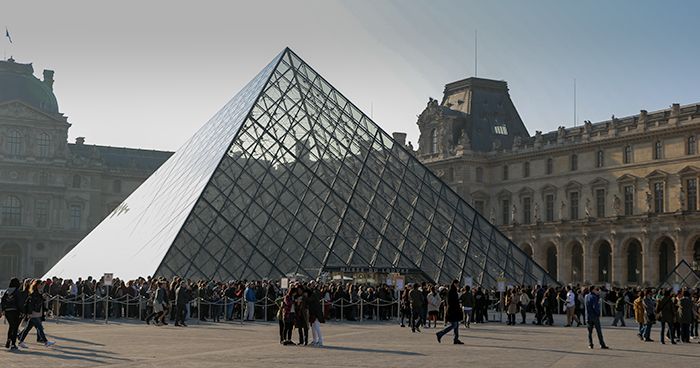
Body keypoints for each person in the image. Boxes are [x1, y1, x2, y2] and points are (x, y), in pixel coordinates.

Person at [18, 280, 55, 348]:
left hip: (37, 313)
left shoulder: (38, 293)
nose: (42, 285)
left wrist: (46, 310)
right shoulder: (34, 293)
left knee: (27, 329)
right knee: (40, 328)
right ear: (37, 285)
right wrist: (29, 313)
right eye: (40, 284)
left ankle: (20, 341)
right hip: (34, 314)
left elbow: (41, 304)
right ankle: (46, 342)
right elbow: (30, 304)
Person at [436, 280, 464, 345]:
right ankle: (440, 334)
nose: (458, 285)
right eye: (457, 284)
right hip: (453, 310)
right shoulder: (452, 291)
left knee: (456, 325)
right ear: (454, 283)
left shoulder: (452, 291)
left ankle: (456, 339)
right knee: (454, 325)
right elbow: (452, 302)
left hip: (453, 310)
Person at [1, 278, 22, 351]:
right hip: (15, 311)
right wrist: (21, 311)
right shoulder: (17, 291)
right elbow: (19, 303)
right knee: (15, 327)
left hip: (7, 311)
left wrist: (3, 309)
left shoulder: (7, 291)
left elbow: (3, 301)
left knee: (11, 326)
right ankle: (13, 343)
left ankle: (8, 340)